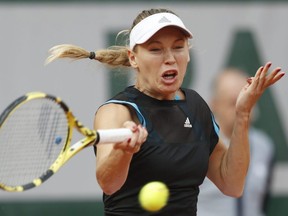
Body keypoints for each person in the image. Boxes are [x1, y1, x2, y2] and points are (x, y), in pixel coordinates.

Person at [45, 8, 285, 216]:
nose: (170, 58)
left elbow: (231, 184)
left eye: (178, 47)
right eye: (156, 50)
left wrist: (242, 113)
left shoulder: (195, 105)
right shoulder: (117, 111)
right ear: (134, 58)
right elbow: (109, 184)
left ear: (188, 54)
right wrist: (124, 151)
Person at [197, 68, 275, 216]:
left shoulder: (265, 146)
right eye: (233, 102)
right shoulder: (199, 144)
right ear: (214, 104)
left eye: (248, 100)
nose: (242, 106)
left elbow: (263, 200)